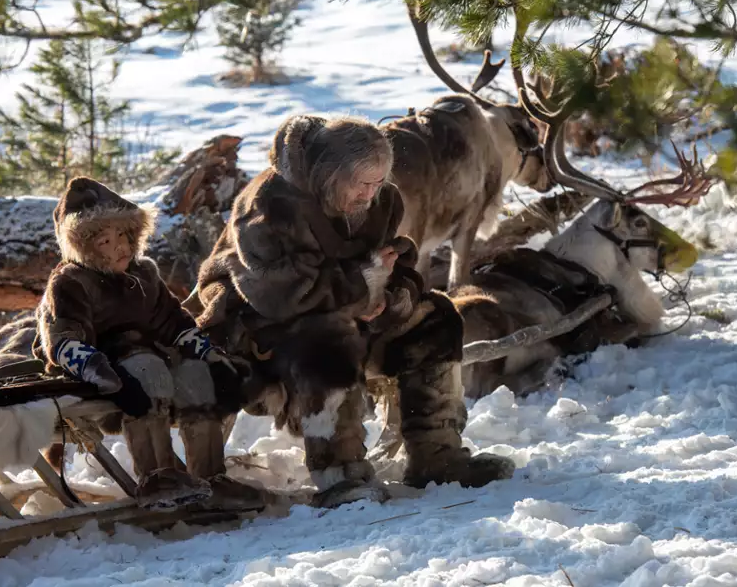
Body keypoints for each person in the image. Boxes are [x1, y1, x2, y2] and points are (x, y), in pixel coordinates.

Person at [191, 114, 516, 508]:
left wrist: (393, 294)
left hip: (352, 309)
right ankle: (339, 472)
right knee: (330, 336)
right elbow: (279, 294)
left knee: (436, 318)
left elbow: (391, 265)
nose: (370, 194)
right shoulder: (267, 208)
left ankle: (437, 455)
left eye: (378, 182)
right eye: (362, 184)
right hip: (262, 328)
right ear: (329, 176)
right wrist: (361, 287)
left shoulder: (381, 201)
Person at [33, 176, 263, 510]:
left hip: (154, 357)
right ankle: (157, 477)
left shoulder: (144, 275)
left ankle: (209, 476)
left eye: (125, 236)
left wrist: (211, 357)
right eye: (106, 241)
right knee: (148, 370)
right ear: (83, 246)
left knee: (197, 377)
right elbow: (62, 342)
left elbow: (175, 322)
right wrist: (104, 374)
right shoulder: (70, 282)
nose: (121, 247)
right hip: (111, 369)